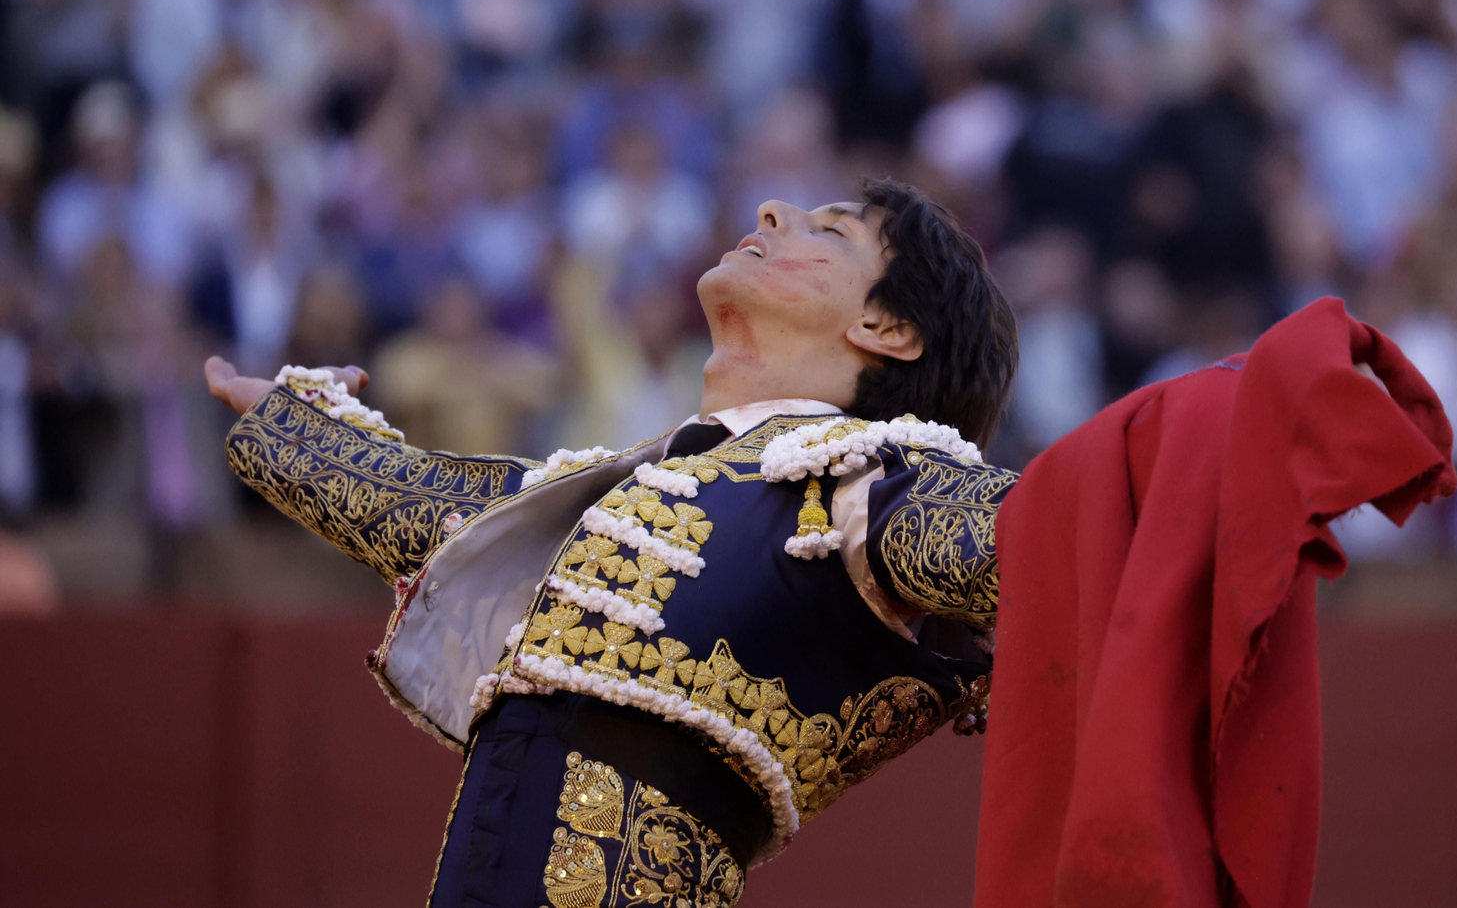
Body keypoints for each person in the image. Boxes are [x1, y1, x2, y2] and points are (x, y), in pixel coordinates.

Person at [205, 179, 1017, 906]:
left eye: (831, 231)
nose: (772, 210)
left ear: (886, 326)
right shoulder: (639, 482)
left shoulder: (874, 480)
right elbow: (442, 512)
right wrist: (291, 426)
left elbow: (1024, 536)